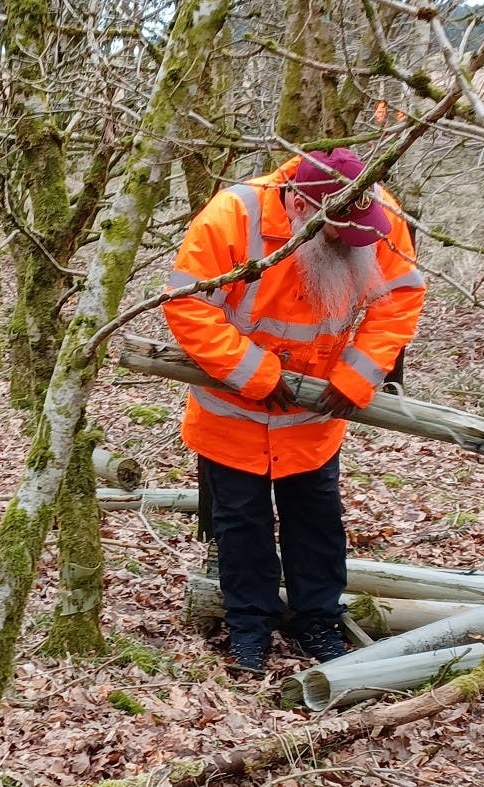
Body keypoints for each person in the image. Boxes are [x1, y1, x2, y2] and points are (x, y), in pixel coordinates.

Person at [162, 148, 426, 674]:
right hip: (230, 413)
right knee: (241, 525)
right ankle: (249, 628)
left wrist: (356, 377)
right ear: (305, 211)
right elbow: (189, 305)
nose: (352, 242)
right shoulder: (233, 216)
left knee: (318, 521)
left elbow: (399, 300)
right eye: (338, 233)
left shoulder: (376, 212)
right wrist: (257, 375)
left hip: (314, 418)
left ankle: (318, 622)